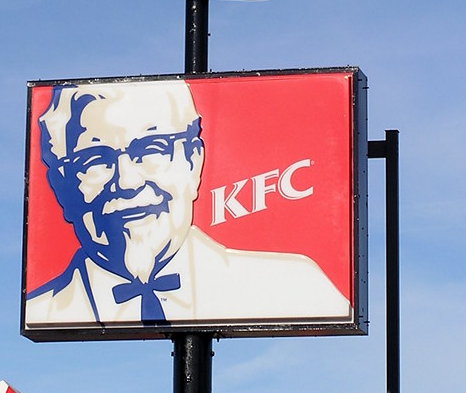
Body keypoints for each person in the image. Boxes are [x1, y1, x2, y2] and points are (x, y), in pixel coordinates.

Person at [25, 80, 351, 326]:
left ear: (193, 162)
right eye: (95, 160)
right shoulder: (43, 310)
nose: (127, 182)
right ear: (61, 188)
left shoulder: (296, 289)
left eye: (151, 149)